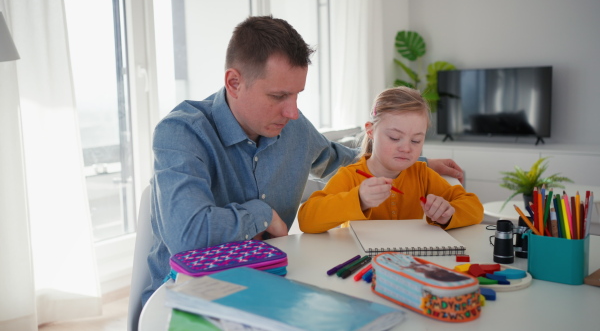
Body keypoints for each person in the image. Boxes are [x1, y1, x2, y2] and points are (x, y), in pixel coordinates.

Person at [143, 16, 464, 304]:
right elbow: (187, 237)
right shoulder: (181, 132)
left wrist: (416, 161)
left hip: (274, 279)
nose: (293, 111)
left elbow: (346, 160)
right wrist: (261, 213)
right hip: (190, 294)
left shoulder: (291, 125)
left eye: (297, 95)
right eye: (279, 96)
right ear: (234, 83)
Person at [298, 86, 483, 233]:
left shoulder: (422, 174)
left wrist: (448, 213)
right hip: (360, 265)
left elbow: (474, 208)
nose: (406, 148)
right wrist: (359, 199)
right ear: (370, 131)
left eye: (416, 140)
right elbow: (307, 219)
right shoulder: (350, 176)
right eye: (395, 138)